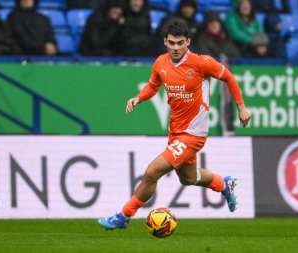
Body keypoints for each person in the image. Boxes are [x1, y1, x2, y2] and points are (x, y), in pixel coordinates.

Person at [97, 20, 251, 230]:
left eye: (180, 43)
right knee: (188, 178)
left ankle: (124, 216)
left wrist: (241, 107)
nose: (176, 48)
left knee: (152, 172)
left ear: (188, 42)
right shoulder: (161, 62)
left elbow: (229, 78)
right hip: (175, 132)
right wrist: (138, 98)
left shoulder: (201, 62)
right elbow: (152, 86)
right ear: (165, 42)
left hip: (193, 134)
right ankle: (224, 185)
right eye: (172, 43)